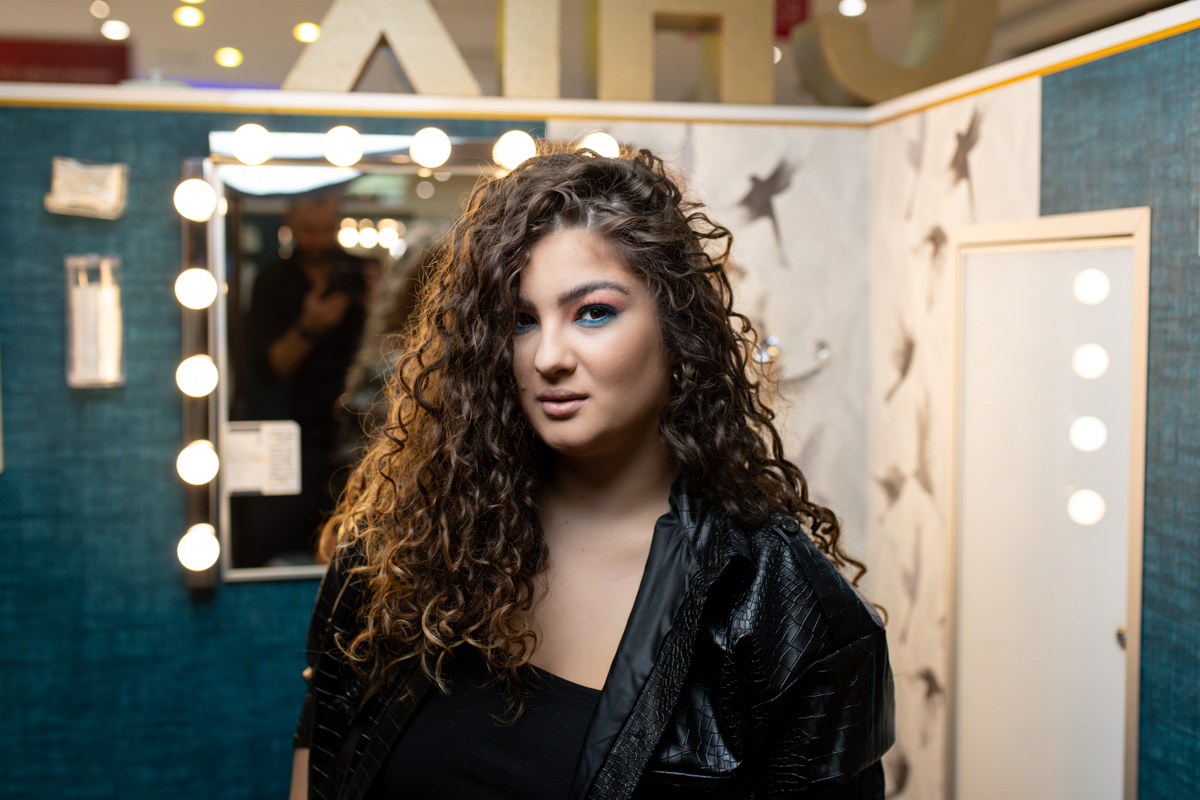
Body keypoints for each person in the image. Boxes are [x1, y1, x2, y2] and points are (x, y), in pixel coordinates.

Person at [291, 147, 894, 799]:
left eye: (593, 312)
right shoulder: (401, 545)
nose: (548, 357)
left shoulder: (784, 609)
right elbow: (319, 764)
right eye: (522, 321)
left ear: (677, 328)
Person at [237, 192, 374, 567]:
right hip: (295, 435)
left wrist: (382, 305)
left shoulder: (364, 274)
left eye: (328, 229)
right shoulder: (272, 281)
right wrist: (309, 327)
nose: (320, 240)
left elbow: (395, 353)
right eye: (309, 230)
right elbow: (267, 369)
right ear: (289, 222)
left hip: (363, 429)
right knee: (273, 539)